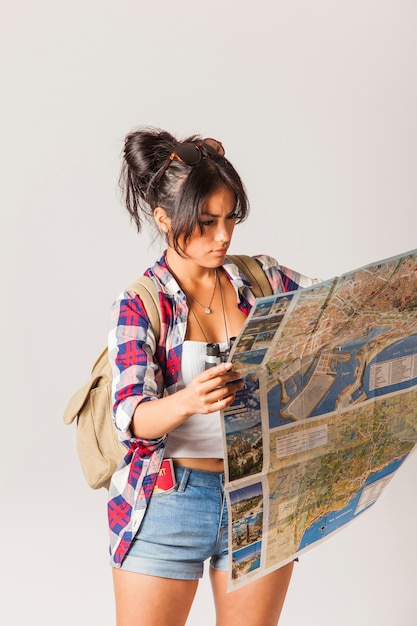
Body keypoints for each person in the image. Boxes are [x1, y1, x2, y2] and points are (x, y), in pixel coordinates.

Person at [107, 126, 316, 626]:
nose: (222, 236)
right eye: (204, 222)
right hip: (168, 501)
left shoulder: (262, 279)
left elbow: (338, 313)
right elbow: (129, 417)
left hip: (258, 498)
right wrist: (188, 400)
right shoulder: (142, 302)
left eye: (229, 219)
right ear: (164, 218)